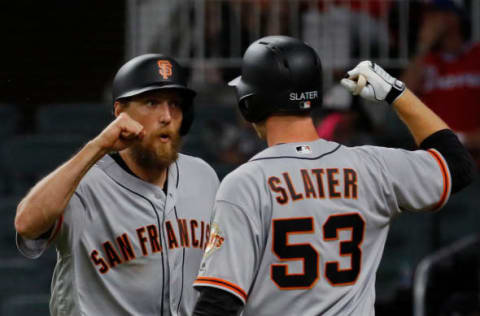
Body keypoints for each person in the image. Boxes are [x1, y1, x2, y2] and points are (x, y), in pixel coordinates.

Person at [191, 36, 475, 315]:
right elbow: (458, 166)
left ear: (248, 104)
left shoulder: (246, 184)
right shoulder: (373, 166)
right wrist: (396, 94)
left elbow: (218, 304)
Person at [15, 54, 219, 315]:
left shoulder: (203, 177)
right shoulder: (83, 182)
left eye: (175, 104)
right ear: (120, 112)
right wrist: (98, 146)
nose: (167, 116)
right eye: (151, 102)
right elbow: (27, 224)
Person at [401, 0, 480, 165]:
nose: (428, 20)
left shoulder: (476, 55)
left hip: (473, 159)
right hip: (434, 162)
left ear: (453, 18)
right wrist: (423, 45)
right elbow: (401, 95)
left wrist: (462, 139)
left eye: (435, 14)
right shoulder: (425, 60)